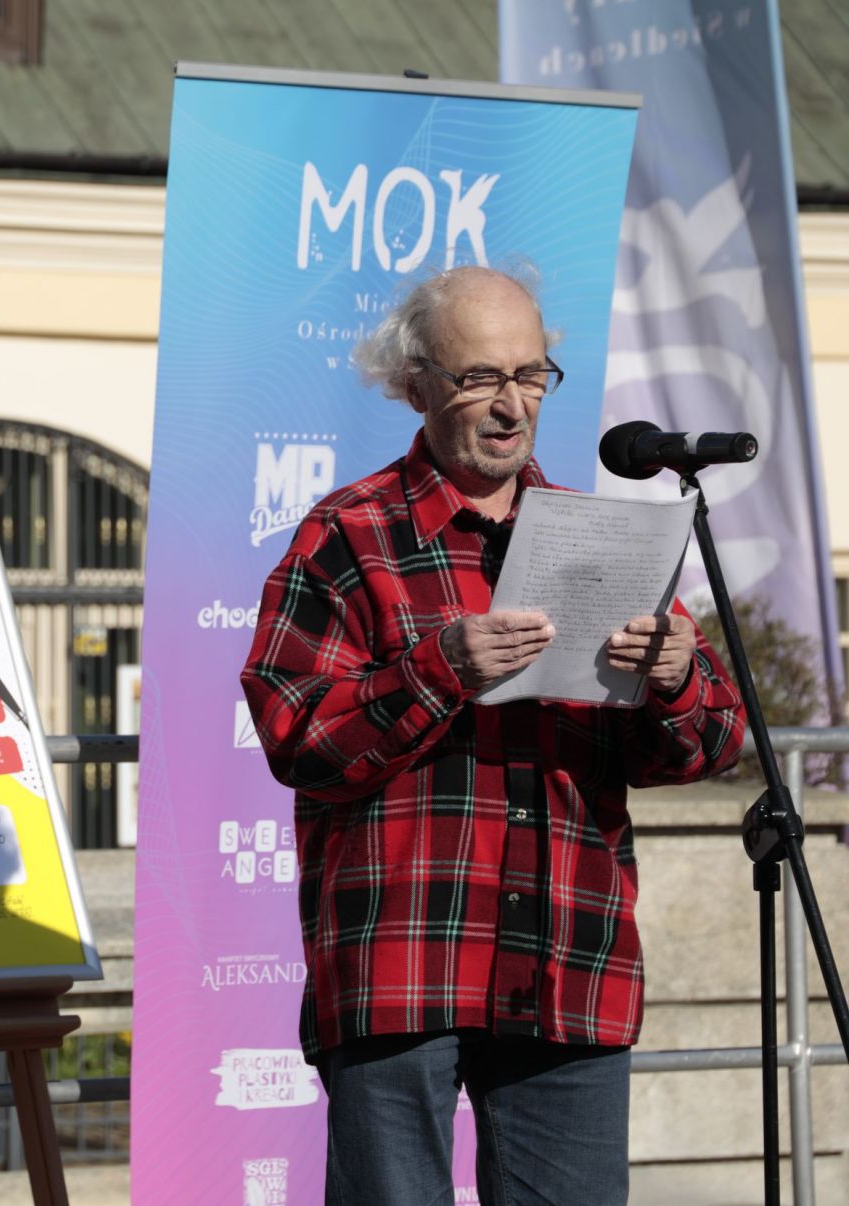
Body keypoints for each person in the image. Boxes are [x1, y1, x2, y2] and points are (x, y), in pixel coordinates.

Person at [240, 265, 745, 1205]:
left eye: (530, 374)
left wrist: (675, 681)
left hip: (568, 955)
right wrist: (439, 671)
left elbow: (712, 746)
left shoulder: (600, 540)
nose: (512, 405)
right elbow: (295, 735)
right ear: (416, 386)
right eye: (480, 378)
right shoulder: (347, 535)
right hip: (401, 956)